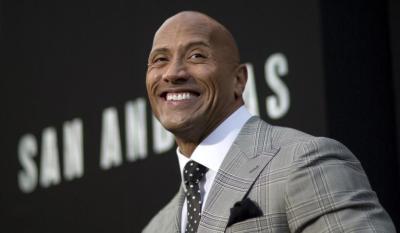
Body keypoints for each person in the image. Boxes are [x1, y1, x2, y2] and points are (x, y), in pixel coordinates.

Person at [142, 11, 395, 233]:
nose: (173, 73)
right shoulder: (157, 227)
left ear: (239, 80)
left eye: (197, 56)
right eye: (160, 59)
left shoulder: (305, 162)